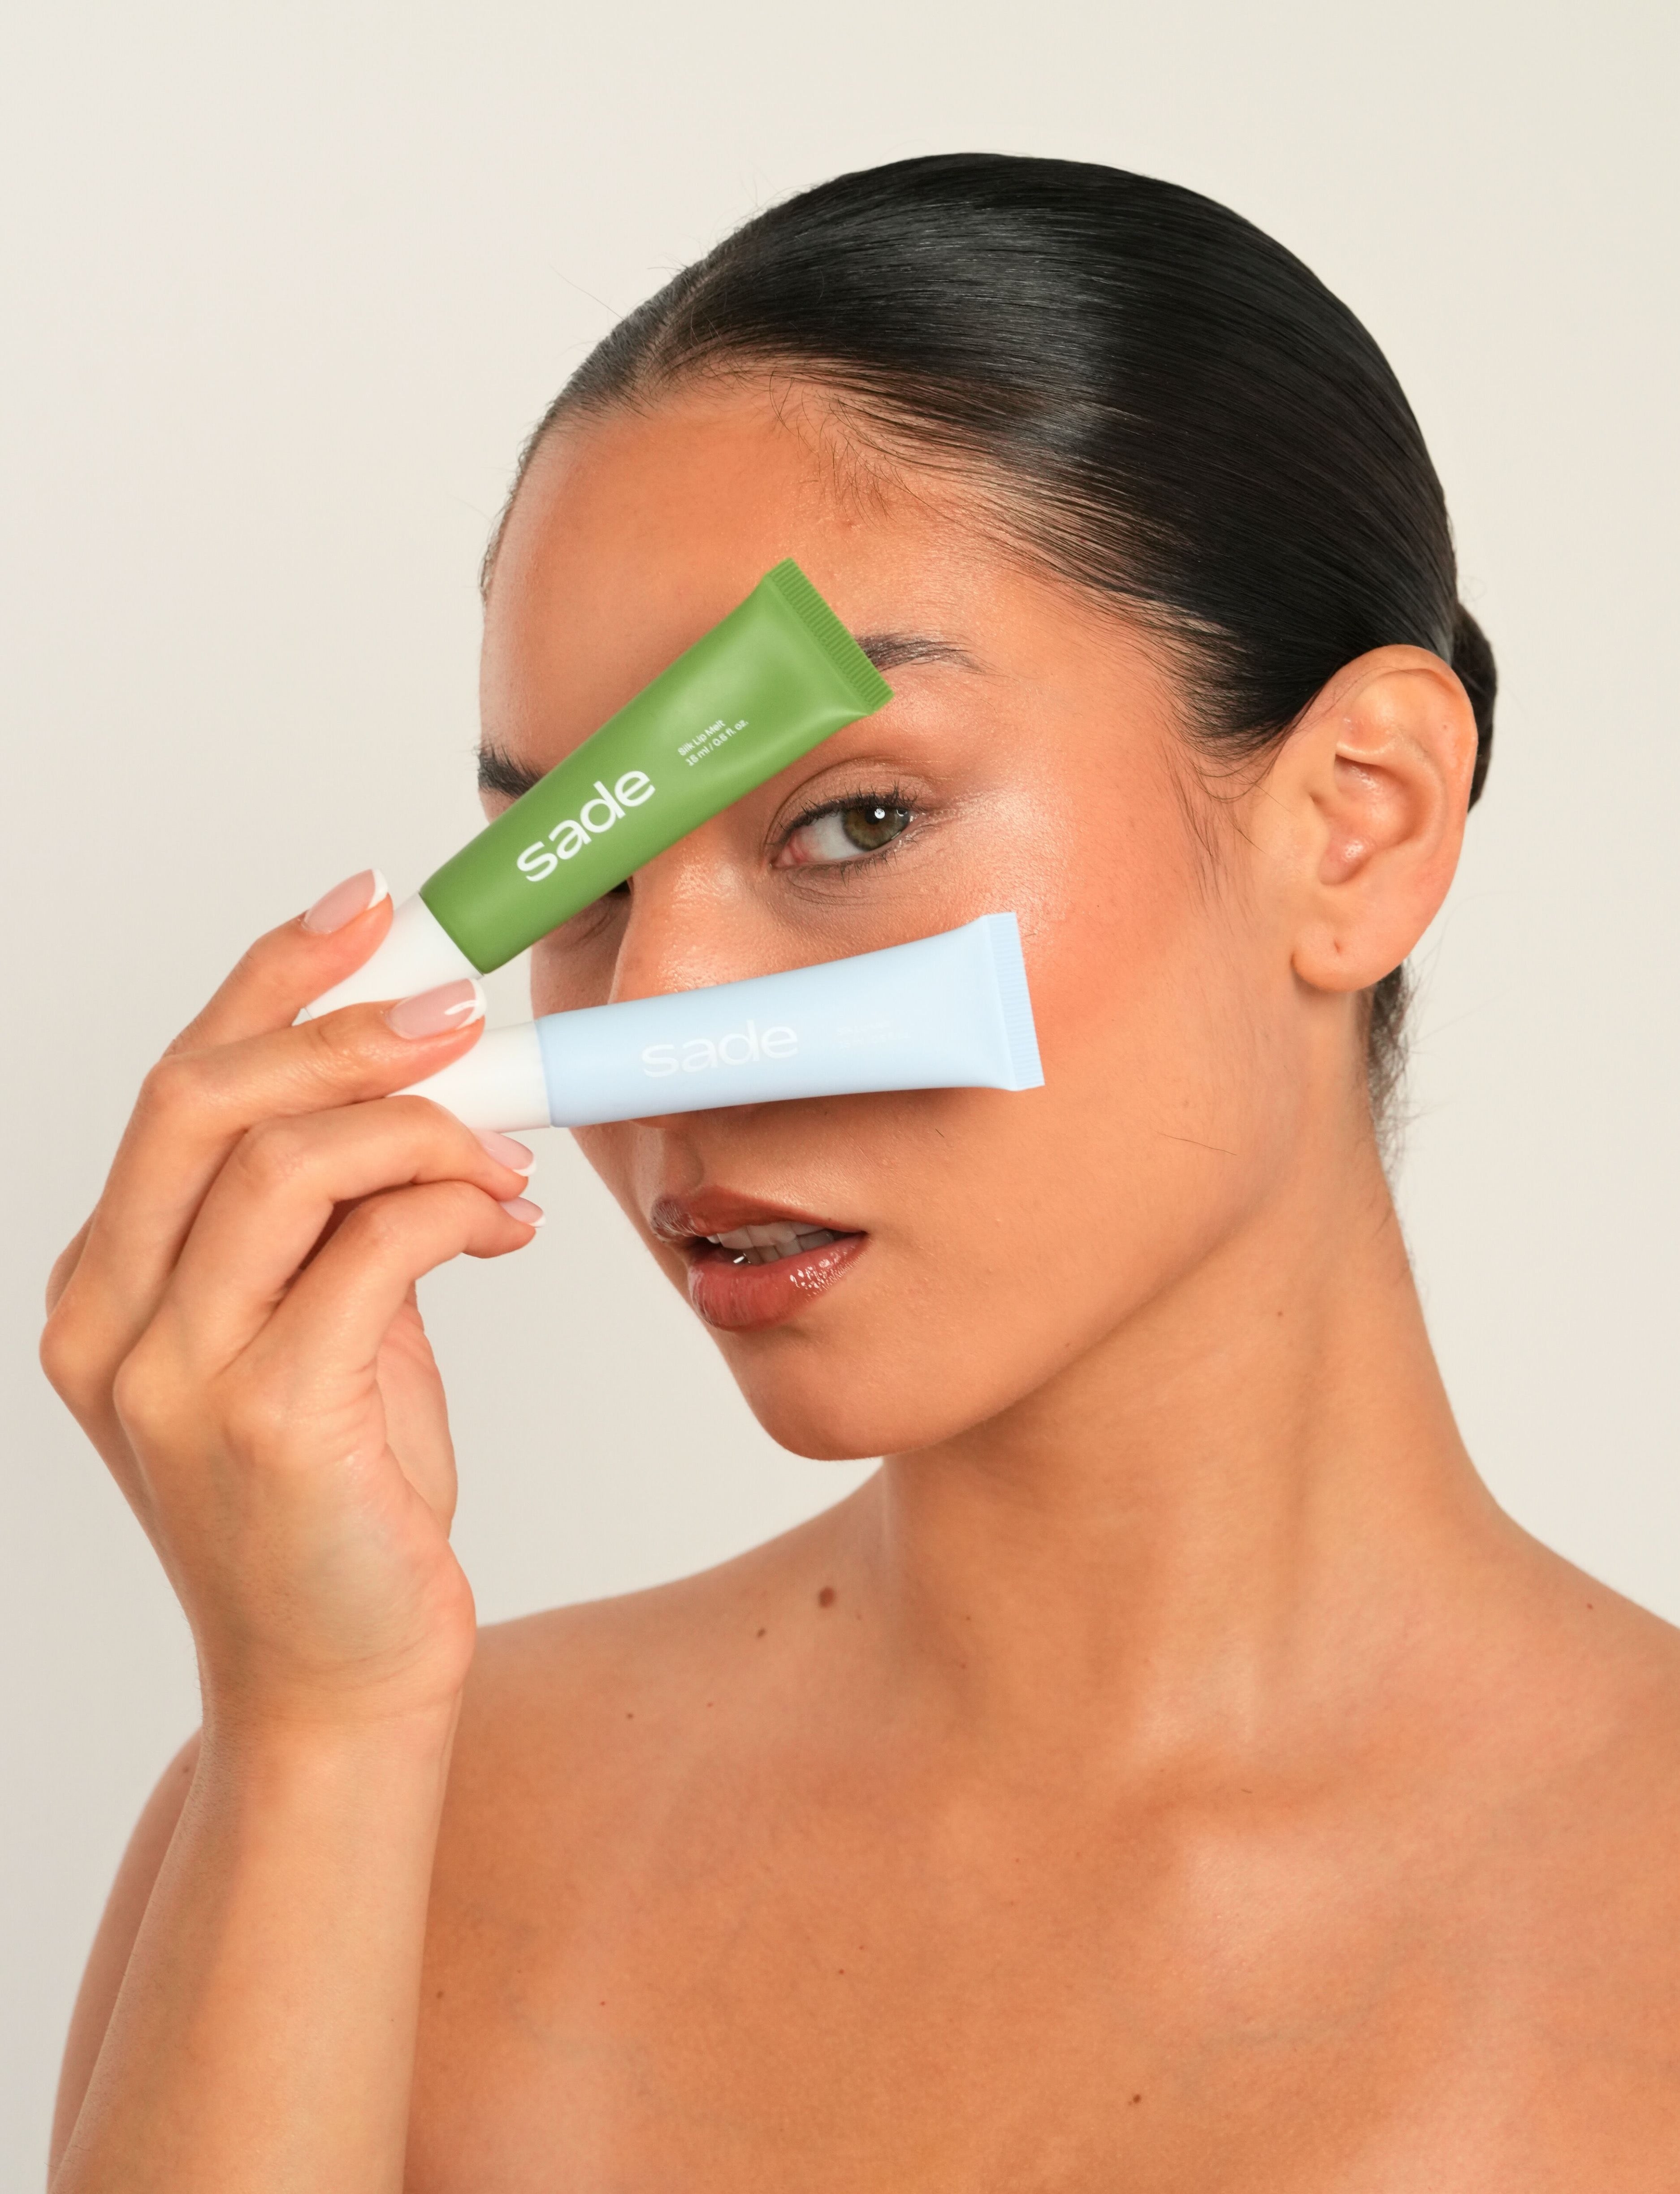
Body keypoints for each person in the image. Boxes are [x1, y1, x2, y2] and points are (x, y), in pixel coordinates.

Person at [39, 153, 1680, 2189]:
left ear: (1359, 822)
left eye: (853, 823)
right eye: (574, 873)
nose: (650, 1021)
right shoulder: (368, 1814)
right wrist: (315, 1721)